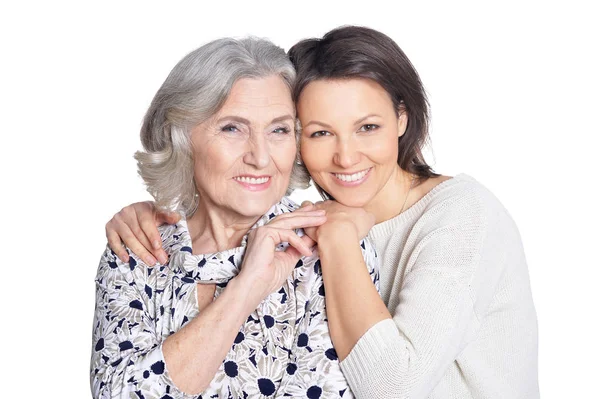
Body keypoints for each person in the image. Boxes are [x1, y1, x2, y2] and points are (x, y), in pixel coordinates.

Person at [106, 26, 539, 398]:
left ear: (402, 119)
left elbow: (394, 387)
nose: (346, 157)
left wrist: (336, 237)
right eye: (319, 133)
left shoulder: (462, 217)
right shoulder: (306, 226)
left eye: (368, 127)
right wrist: (153, 206)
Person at [91, 36, 378, 399]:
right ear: (179, 136)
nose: (260, 157)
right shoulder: (136, 250)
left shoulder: (325, 246)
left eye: (278, 130)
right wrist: (246, 288)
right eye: (232, 128)